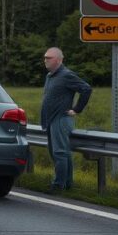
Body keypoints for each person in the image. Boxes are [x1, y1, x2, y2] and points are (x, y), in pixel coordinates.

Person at [40, 47, 92, 192]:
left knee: (60, 153)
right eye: (45, 57)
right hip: (51, 120)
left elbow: (86, 89)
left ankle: (58, 185)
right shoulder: (50, 75)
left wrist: (76, 109)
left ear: (58, 60)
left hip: (61, 119)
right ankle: (67, 184)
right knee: (59, 152)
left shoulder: (66, 75)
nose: (45, 60)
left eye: (48, 58)